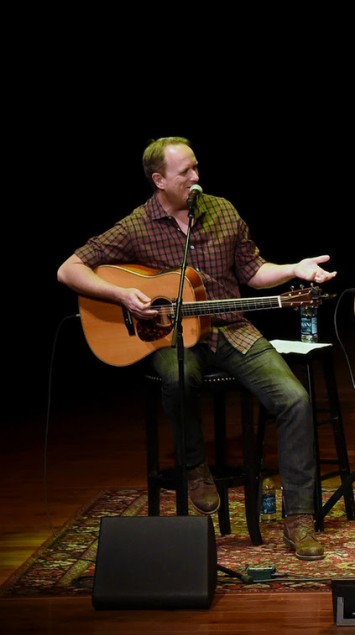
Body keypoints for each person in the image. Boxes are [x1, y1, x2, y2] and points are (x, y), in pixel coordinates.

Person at [57, 136, 337, 560]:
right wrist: (121, 295)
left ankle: (298, 519)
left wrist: (293, 269)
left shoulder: (222, 210)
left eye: (196, 168)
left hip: (232, 329)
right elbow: (69, 269)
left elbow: (253, 271)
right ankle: (193, 466)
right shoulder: (137, 225)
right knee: (177, 375)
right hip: (174, 336)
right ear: (159, 180)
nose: (196, 178)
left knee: (294, 399)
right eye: (185, 172)